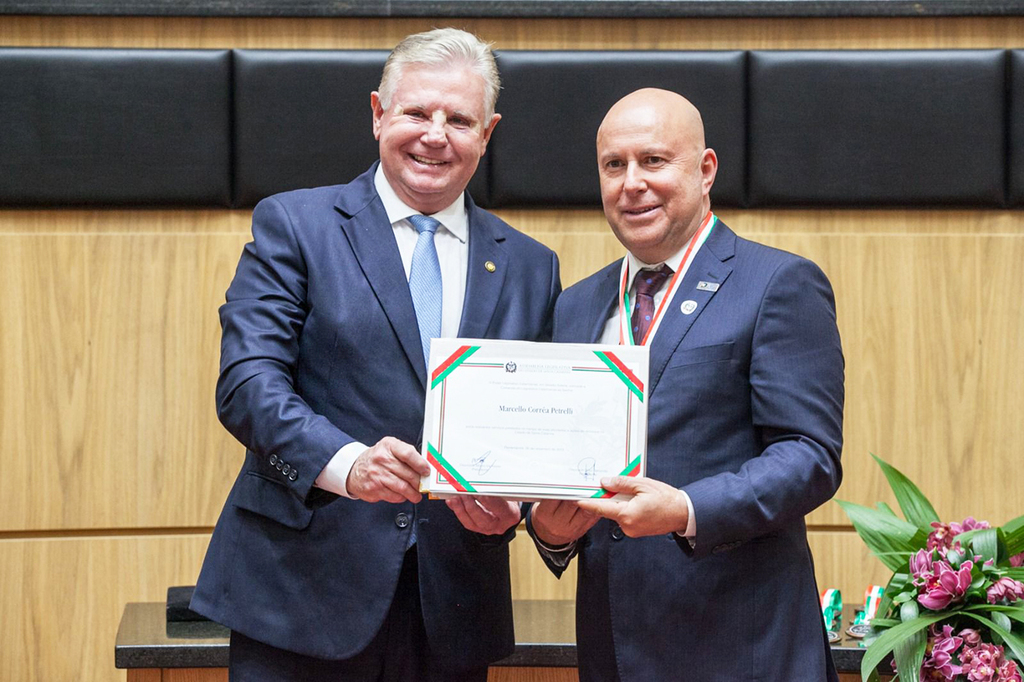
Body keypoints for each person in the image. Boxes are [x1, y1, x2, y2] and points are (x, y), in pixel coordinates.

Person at [191, 28, 561, 682]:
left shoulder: (531, 266)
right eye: (417, 112)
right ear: (377, 114)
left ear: (488, 132)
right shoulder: (296, 227)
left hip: (452, 611)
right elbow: (247, 383)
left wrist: (518, 507)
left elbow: (532, 421)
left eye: (459, 119)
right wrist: (348, 463)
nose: (435, 134)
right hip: (300, 600)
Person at [526, 88, 844, 681]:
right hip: (614, 648)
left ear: (705, 171)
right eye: (613, 165)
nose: (631, 183)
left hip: (744, 650)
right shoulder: (575, 306)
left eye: (653, 160)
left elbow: (810, 457)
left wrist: (686, 509)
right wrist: (547, 530)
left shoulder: (777, 283)